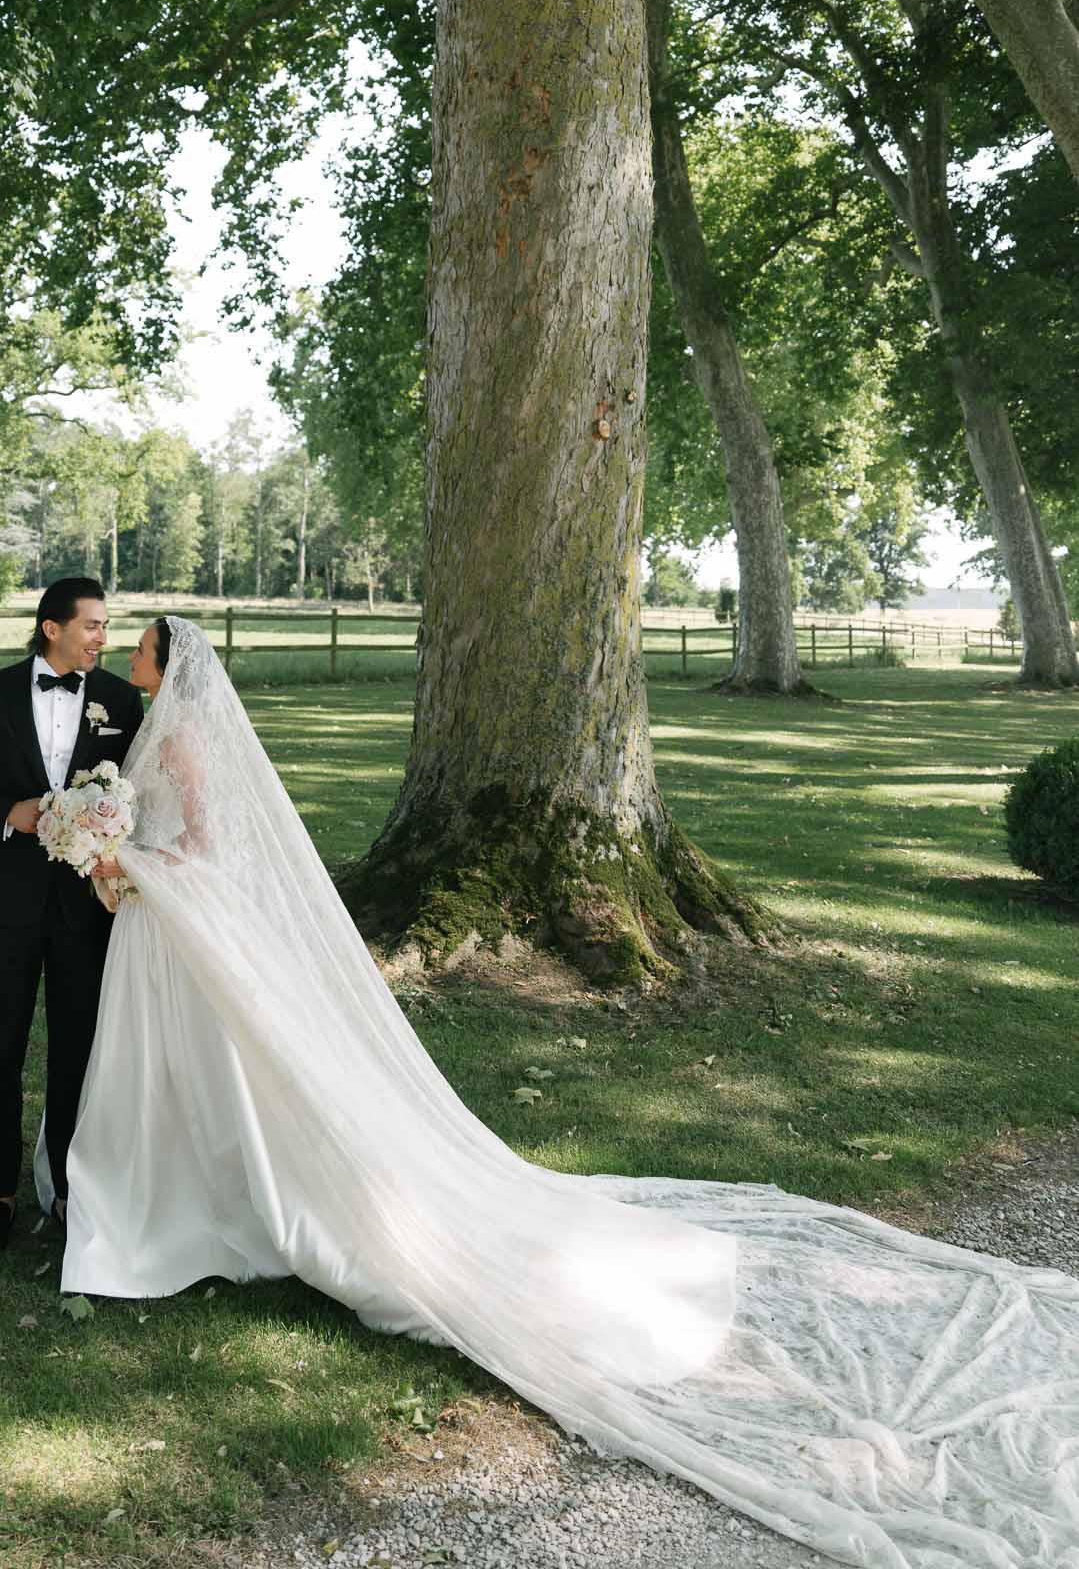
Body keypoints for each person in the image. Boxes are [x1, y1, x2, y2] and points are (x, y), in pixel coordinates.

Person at [56, 614, 1079, 1569]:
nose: (128, 655)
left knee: (207, 1070)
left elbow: (199, 845)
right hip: (163, 927)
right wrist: (114, 852)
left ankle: (189, 1197)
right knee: (189, 1069)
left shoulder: (179, 735)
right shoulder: (153, 723)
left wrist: (125, 857)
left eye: (138, 645)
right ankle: (183, 1182)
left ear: (164, 662)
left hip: (173, 917)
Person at [0, 576, 143, 1256]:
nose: (101, 639)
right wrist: (7, 813)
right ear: (51, 627)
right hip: (6, 903)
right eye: (92, 626)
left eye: (106, 628)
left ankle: (66, 1190)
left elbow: (139, 790)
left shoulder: (117, 698)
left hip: (87, 905)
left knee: (78, 1048)